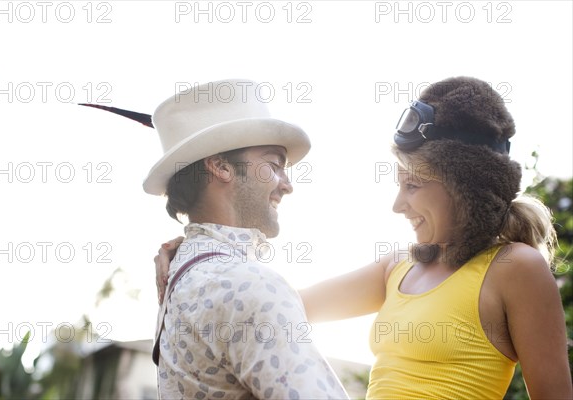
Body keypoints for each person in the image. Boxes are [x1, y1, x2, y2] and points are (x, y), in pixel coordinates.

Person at [156, 77, 572, 399]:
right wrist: (198, 263)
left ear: (462, 184)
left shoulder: (516, 268)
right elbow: (270, 308)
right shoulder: (397, 267)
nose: (397, 204)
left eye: (412, 185)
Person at [145, 79, 349, 400]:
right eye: (274, 164)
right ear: (221, 166)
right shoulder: (247, 284)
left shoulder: (180, 275)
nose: (287, 184)